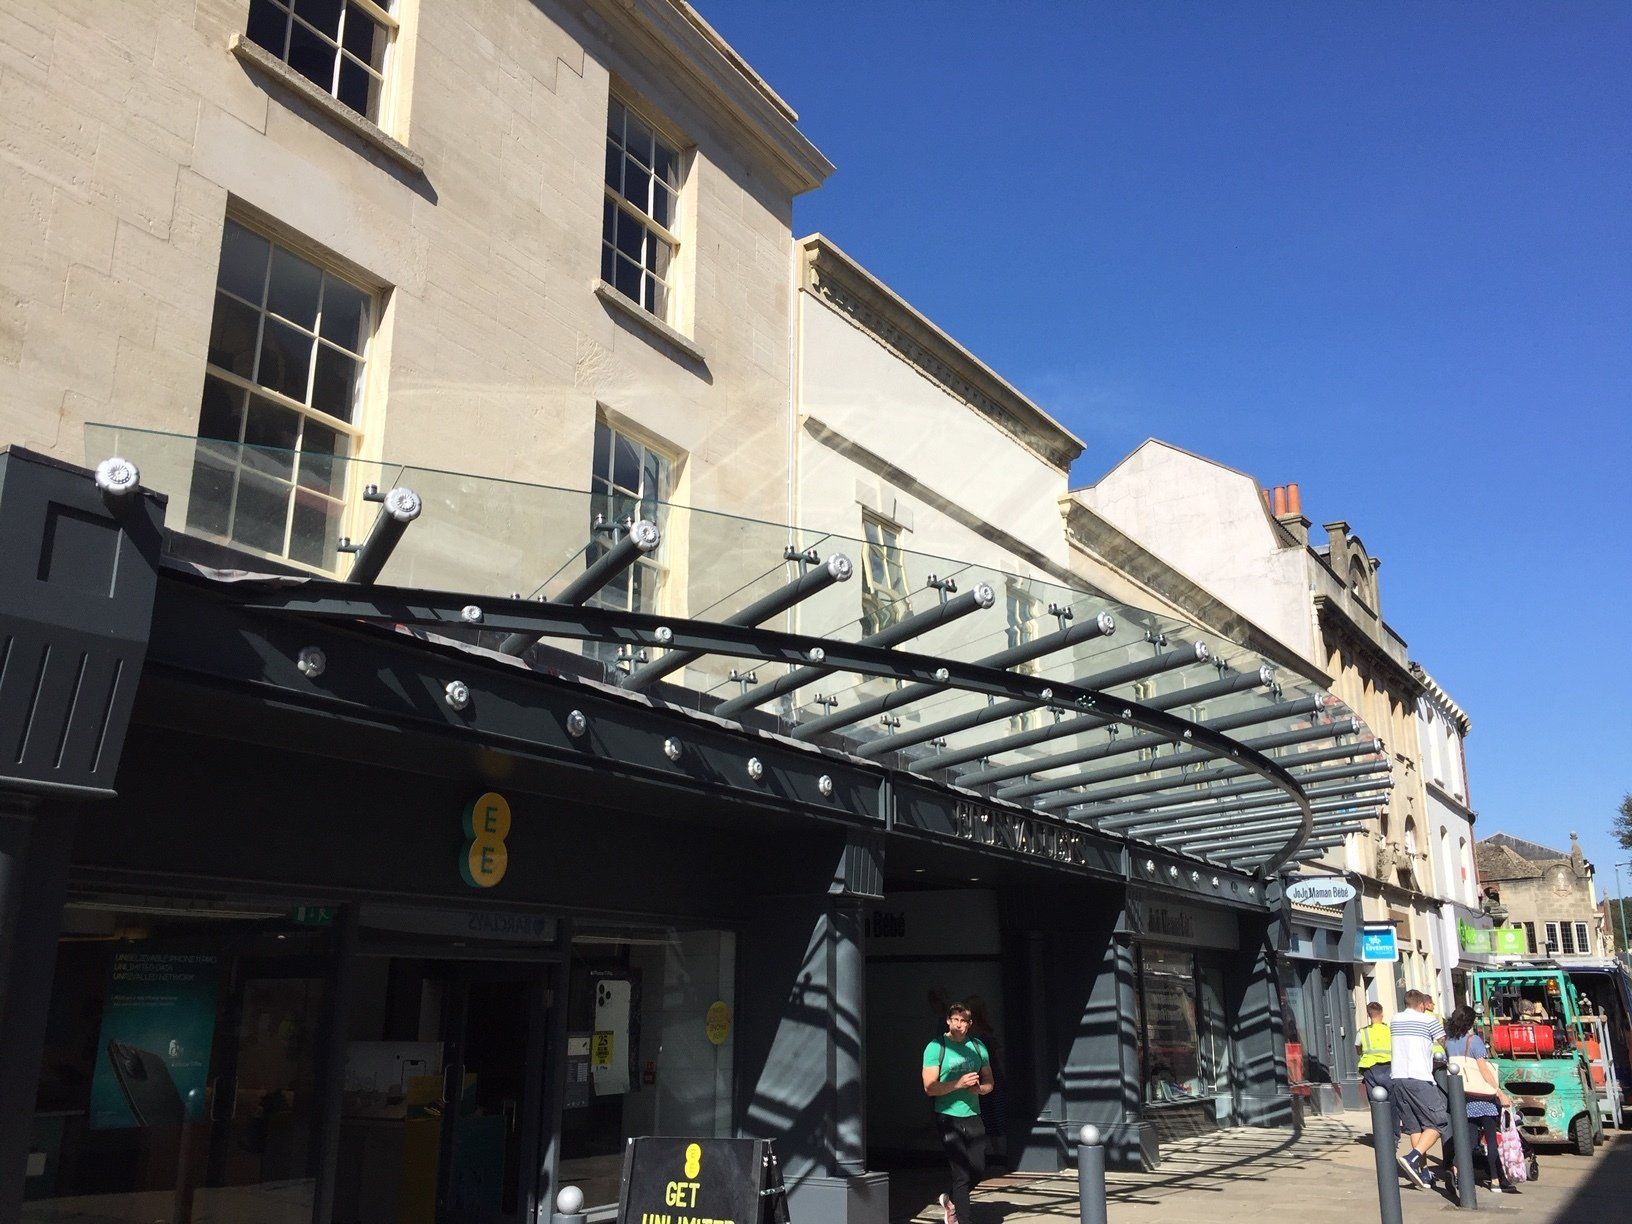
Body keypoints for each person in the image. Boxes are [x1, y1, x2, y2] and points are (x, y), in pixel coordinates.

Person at [922, 1001, 994, 1224]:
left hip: (973, 1114)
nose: (959, 1024)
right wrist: (958, 1084)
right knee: (961, 1173)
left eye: (963, 1021)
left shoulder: (978, 1047)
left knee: (978, 1169)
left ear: (970, 1024)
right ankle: (963, 1220)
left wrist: (978, 1089)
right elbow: (929, 1087)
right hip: (947, 1115)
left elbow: (990, 1082)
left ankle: (951, 1200)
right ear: (948, 1021)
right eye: (955, 1020)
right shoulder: (936, 1047)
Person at [1443, 1005, 1518, 1194]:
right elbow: (1484, 1071)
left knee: (1467, 1139)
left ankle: (1457, 1170)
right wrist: (1499, 1093)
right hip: (1483, 1097)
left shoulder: (1449, 1042)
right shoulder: (1474, 1041)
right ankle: (1494, 1180)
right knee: (1492, 1138)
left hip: (1463, 1096)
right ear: (1470, 1022)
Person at [1389, 989, 1451, 1190]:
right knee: (1438, 1120)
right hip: (1419, 1077)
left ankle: (1423, 1173)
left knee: (1415, 1125)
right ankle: (1413, 1157)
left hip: (1398, 1077)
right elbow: (1443, 1041)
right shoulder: (1427, 1020)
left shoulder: (1395, 1019)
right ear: (1422, 1005)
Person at [1356, 1001, 1393, 1097]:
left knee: (1374, 1099)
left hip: (1369, 1067)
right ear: (1382, 1014)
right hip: (1389, 1066)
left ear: (1369, 1015)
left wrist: (1361, 1053)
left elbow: (1357, 1046)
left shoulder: (1363, 1032)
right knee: (1392, 1098)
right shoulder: (1390, 1030)